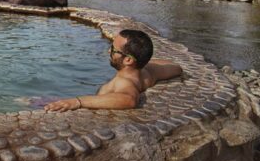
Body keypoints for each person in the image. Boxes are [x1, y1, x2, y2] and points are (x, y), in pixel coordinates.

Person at [44, 29, 182, 112]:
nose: (109, 50)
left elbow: (129, 100)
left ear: (128, 60)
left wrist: (77, 102)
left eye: (114, 50)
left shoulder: (124, 83)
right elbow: (175, 67)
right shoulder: (148, 71)